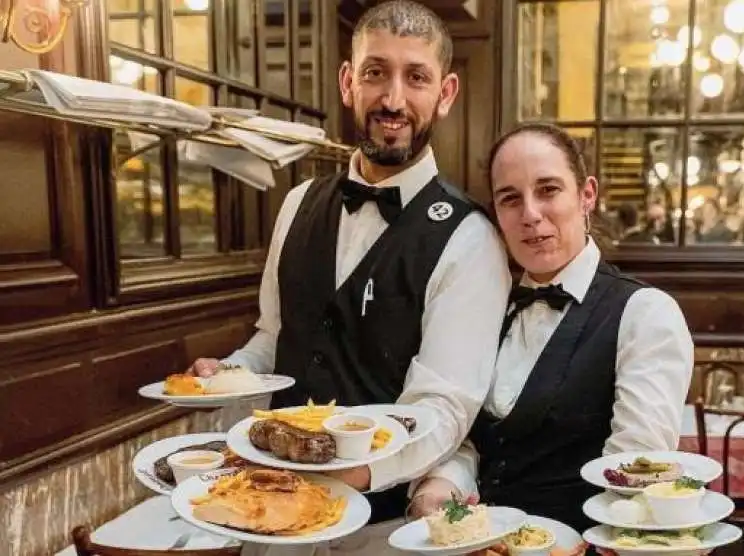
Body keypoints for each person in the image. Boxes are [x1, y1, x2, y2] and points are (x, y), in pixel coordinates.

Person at [186, 1, 510, 554]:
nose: (393, 100)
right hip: (265, 510)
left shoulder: (470, 237)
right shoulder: (296, 204)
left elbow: (444, 408)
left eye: (416, 78)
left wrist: (342, 474)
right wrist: (232, 373)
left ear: (446, 93)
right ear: (347, 81)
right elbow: (274, 337)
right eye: (375, 72)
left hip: (381, 527)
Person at [409, 122, 694, 542]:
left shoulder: (646, 315)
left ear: (586, 195)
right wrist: (441, 486)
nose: (530, 215)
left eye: (548, 190)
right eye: (510, 199)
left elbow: (632, 476)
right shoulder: (486, 306)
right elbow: (474, 439)